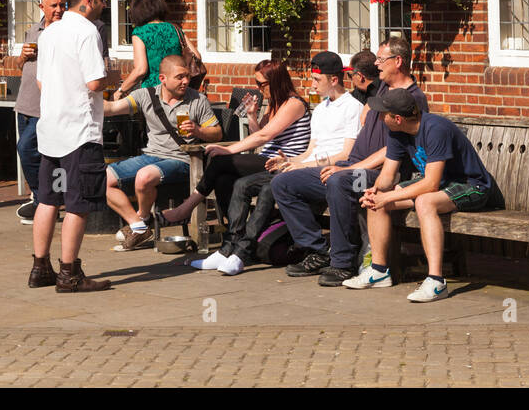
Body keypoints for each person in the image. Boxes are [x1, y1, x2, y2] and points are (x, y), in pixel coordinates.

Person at [274, 41, 428, 285]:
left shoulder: (414, 98)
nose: (376, 64)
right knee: (284, 183)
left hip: (383, 175)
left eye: (381, 60)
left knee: (339, 181)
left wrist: (348, 168)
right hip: (353, 166)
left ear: (398, 62)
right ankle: (317, 249)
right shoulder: (382, 89)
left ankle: (342, 263)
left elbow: (393, 151)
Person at [205, 51, 363, 276]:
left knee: (278, 185)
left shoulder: (352, 107)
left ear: (334, 80)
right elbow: (310, 150)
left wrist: (302, 166)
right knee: (243, 185)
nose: (312, 84)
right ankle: (231, 248)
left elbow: (345, 154)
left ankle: (309, 249)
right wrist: (289, 160)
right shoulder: (320, 109)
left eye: (317, 80)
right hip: (309, 168)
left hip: (333, 172)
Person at [344, 88, 503, 302]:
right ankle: (379, 271)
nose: (380, 117)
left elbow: (430, 184)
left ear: (397, 118)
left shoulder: (435, 129)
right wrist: (377, 191)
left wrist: (388, 197)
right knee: (376, 201)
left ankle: (436, 281)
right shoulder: (396, 132)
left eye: (384, 113)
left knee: (424, 202)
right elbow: (388, 175)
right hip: (441, 183)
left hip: (471, 185)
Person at [158, 60, 311, 258]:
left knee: (222, 161)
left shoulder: (293, 104)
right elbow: (260, 136)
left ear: (276, 82)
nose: (257, 89)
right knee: (223, 179)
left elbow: (264, 137)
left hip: (282, 164)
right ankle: (232, 240)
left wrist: (230, 151)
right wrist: (252, 116)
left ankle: (187, 208)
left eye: (261, 84)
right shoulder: (274, 103)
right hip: (266, 158)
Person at [28, 0, 113, 293]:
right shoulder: (88, 31)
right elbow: (93, 82)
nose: (104, 4)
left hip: (51, 129)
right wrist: (112, 78)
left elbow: (40, 82)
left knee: (48, 199)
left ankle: (40, 267)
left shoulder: (49, 32)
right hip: (80, 131)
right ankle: (69, 274)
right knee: (78, 203)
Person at [101, 54, 220, 251]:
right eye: (179, 77)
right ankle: (139, 224)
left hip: (183, 159)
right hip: (152, 155)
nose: (185, 81)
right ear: (162, 78)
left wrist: (198, 131)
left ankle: (142, 219)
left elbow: (216, 133)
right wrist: (87, 94)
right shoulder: (145, 95)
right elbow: (112, 108)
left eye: (187, 77)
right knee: (101, 179)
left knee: (144, 176)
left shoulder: (198, 100)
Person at [12, 0, 66, 223]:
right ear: (41, 7)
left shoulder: (66, 32)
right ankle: (41, 199)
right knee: (29, 152)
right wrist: (23, 56)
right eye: (53, 5)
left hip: (47, 106)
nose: (58, 9)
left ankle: (45, 198)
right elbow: (19, 66)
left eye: (62, 4)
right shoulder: (33, 30)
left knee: (26, 148)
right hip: (24, 102)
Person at [112, 0, 182, 99]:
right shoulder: (175, 28)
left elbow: (140, 70)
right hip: (177, 90)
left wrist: (120, 91)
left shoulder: (140, 32)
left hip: (153, 93)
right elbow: (197, 56)